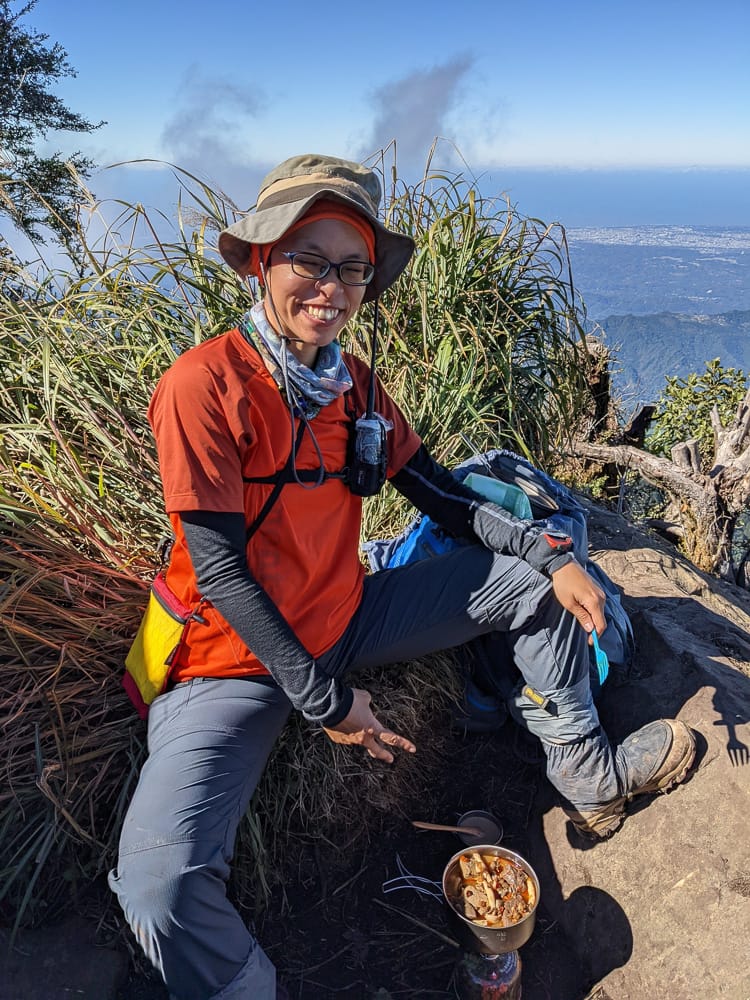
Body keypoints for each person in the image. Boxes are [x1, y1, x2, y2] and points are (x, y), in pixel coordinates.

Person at [109, 154, 696, 1000]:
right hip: (233, 662)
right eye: (308, 259)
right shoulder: (205, 386)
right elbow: (222, 572)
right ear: (262, 259)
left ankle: (586, 778)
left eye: (350, 268)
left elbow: (446, 499)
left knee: (531, 587)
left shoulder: (353, 386)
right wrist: (326, 701)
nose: (332, 287)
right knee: (158, 884)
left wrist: (552, 557)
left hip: (348, 613)